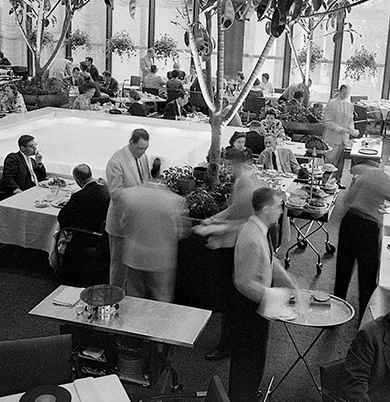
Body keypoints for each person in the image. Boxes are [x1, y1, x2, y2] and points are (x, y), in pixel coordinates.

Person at [229, 187, 301, 402]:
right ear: (266, 208)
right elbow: (243, 282)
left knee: (255, 356)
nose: (281, 211)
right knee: (247, 358)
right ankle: (241, 397)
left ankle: (249, 393)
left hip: (258, 304)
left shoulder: (260, 228)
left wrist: (292, 286)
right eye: (279, 206)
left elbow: (271, 261)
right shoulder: (251, 237)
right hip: (248, 307)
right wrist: (278, 299)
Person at [195, 148, 262, 361]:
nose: (226, 168)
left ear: (238, 163)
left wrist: (214, 228)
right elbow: (233, 210)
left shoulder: (246, 183)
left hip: (238, 245)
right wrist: (214, 220)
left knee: (232, 297)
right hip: (236, 241)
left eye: (229, 164)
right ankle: (229, 343)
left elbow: (239, 217)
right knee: (231, 297)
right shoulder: (245, 180)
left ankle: (226, 347)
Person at [334, 165, 390, 318]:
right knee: (367, 276)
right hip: (366, 229)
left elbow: (347, 200)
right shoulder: (382, 180)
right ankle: (364, 319)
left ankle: (336, 310)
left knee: (343, 269)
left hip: (348, 221)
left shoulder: (364, 177)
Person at [120, 158, 190, 302]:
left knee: (134, 297)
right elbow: (182, 232)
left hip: (134, 255)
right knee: (161, 297)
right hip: (161, 258)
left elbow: (124, 225)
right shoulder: (175, 201)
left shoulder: (130, 195)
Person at [105, 128, 151, 289]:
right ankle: (114, 295)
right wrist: (139, 195)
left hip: (137, 221)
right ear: (131, 142)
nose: (143, 151)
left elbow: (146, 180)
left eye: (145, 148)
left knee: (134, 264)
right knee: (118, 265)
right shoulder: (116, 162)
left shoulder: (142, 157)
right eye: (140, 148)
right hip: (120, 222)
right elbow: (116, 193)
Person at [57, 163, 111, 286]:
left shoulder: (78, 196)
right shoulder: (106, 191)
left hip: (85, 239)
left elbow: (63, 218)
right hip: (104, 238)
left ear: (77, 180)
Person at [324, 85, 359, 187]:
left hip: (344, 139)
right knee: (330, 163)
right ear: (339, 92)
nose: (346, 95)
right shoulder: (332, 104)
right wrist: (342, 129)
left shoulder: (349, 105)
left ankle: (337, 182)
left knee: (340, 162)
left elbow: (350, 120)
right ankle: (326, 183)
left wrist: (352, 130)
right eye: (344, 93)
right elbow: (327, 121)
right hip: (332, 138)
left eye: (347, 93)